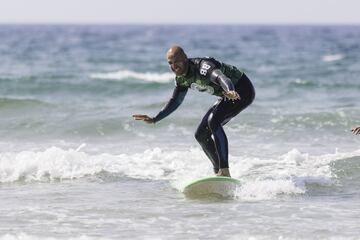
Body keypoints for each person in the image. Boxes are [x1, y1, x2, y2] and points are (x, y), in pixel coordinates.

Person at [133, 46, 255, 177]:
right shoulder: (181, 79)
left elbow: (221, 78)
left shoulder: (203, 67)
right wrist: (155, 119)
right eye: (170, 63)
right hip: (227, 96)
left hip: (242, 91)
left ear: (185, 58)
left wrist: (230, 90)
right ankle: (218, 171)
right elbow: (175, 101)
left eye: (176, 61)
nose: (174, 66)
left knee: (213, 121)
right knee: (201, 134)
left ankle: (225, 171)